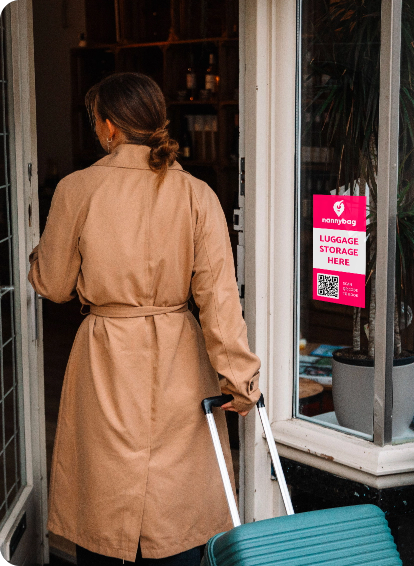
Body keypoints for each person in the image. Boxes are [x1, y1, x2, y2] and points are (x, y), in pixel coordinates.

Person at [28, 72, 261, 565]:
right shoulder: (197, 194)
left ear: (109, 127)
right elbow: (219, 298)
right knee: (175, 508)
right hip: (180, 355)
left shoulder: (77, 188)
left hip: (105, 356)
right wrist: (241, 381)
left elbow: (52, 284)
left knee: (105, 505)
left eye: (97, 122)